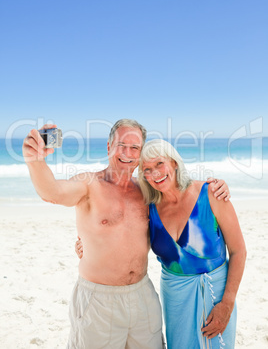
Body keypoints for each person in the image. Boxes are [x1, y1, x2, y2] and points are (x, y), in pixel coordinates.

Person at [23, 119, 230, 349]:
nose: (127, 153)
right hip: (99, 301)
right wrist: (35, 161)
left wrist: (217, 185)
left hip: (142, 296)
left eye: (135, 148)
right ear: (109, 147)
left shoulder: (147, 190)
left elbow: (180, 196)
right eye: (121, 145)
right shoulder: (89, 184)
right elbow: (53, 192)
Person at [137, 139, 246, 349]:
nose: (155, 173)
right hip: (176, 299)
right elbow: (119, 231)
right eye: (147, 170)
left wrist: (227, 304)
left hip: (217, 295)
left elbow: (238, 250)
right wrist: (85, 245)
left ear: (175, 163)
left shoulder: (212, 194)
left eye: (160, 164)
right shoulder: (148, 209)